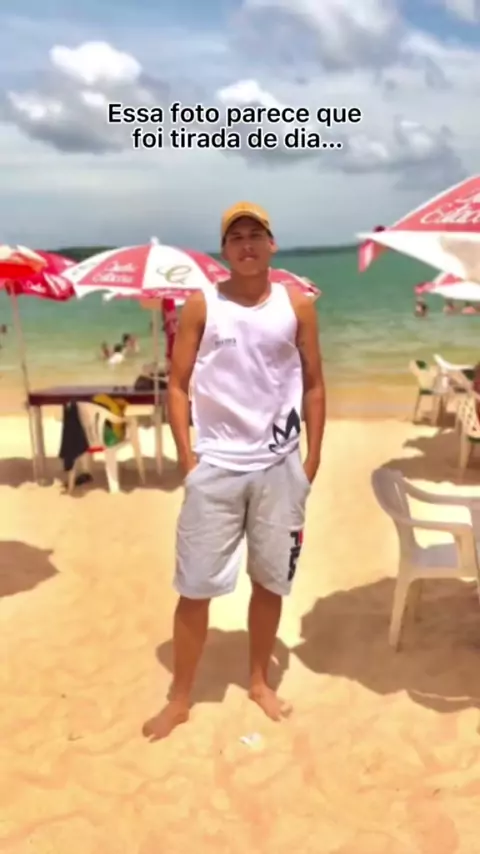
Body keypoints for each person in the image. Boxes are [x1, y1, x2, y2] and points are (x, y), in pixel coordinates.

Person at [143, 202, 326, 740]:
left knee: (270, 581)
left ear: (272, 244)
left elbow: (315, 383)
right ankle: (180, 697)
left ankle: (259, 682)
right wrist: (187, 456)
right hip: (217, 469)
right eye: (236, 237)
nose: (246, 244)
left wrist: (312, 458)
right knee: (194, 586)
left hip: (279, 468)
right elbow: (178, 385)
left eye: (255, 234)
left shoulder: (297, 306)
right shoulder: (203, 305)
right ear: (224, 249)